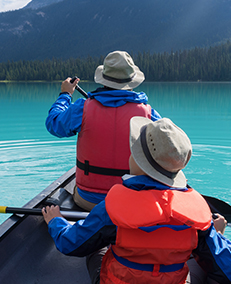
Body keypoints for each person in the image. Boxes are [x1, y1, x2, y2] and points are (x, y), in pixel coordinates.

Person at [42, 117, 231, 284]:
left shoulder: (113, 208)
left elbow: (70, 244)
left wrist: (56, 221)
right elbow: (229, 273)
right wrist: (216, 234)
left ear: (138, 161)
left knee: (96, 250)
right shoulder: (198, 218)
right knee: (197, 265)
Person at [46, 51, 161, 210]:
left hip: (89, 201)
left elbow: (54, 124)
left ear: (104, 78)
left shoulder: (83, 108)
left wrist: (65, 95)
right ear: (131, 81)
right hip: (130, 202)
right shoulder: (148, 114)